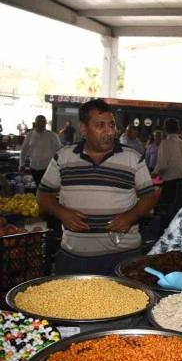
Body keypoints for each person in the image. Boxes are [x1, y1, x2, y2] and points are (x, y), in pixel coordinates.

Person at [37, 99, 157, 275]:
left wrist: (130, 217)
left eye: (112, 125)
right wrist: (62, 213)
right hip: (75, 257)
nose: (109, 131)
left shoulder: (132, 157)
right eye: (100, 125)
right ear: (84, 128)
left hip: (123, 256)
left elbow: (149, 197)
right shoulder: (64, 157)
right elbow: (43, 195)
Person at [153, 118, 182, 207]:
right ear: (178, 129)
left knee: (166, 212)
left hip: (170, 184)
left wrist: (155, 173)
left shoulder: (165, 143)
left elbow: (162, 166)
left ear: (164, 129)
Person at [19, 115, 61, 186]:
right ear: (35, 123)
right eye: (38, 121)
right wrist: (21, 164)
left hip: (48, 168)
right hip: (34, 167)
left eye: (43, 122)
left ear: (46, 123)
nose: (41, 123)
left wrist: (58, 167)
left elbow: (58, 151)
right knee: (38, 186)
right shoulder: (29, 135)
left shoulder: (52, 135)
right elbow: (24, 151)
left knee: (47, 188)